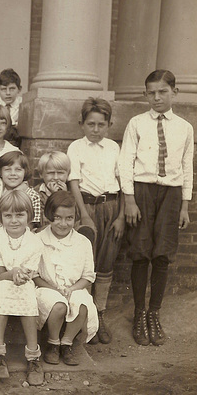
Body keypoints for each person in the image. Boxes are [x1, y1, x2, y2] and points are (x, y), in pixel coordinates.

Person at [118, 70, 193, 347]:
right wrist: (129, 199)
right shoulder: (137, 123)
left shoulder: (185, 127)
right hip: (142, 190)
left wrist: (184, 205)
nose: (157, 97)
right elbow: (125, 161)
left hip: (171, 194)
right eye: (151, 92)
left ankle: (154, 314)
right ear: (145, 94)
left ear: (174, 91)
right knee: (140, 254)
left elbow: (187, 167)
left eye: (162, 91)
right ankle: (139, 314)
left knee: (162, 255)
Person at [67, 98, 125, 344]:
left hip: (111, 207)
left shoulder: (114, 148)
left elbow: (124, 185)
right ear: (82, 124)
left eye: (101, 124)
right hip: (87, 207)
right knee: (85, 263)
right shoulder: (76, 148)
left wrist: (121, 216)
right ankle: (85, 317)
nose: (96, 129)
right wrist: (84, 215)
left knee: (106, 262)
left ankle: (100, 314)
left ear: (109, 125)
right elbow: (73, 182)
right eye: (91, 124)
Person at [0, 190, 44, 386]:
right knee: (3, 289)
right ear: (0, 217)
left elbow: (28, 273)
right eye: (8, 215)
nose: (14, 220)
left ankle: (33, 356)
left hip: (22, 282)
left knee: (27, 292)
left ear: (29, 216)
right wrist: (13, 273)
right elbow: (0, 274)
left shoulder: (35, 241)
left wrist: (20, 275)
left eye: (19, 215)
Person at [34, 191, 98, 366]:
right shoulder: (38, 240)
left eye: (69, 218)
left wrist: (72, 289)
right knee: (58, 305)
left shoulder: (82, 242)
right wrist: (55, 290)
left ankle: (66, 343)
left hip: (74, 287)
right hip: (46, 288)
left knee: (82, 303)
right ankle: (53, 342)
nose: (63, 223)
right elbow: (35, 276)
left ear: (75, 217)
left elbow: (87, 277)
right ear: (48, 216)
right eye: (57, 218)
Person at [0, 151, 41, 229]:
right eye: (7, 169)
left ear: (25, 172)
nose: (13, 173)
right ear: (0, 172)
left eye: (18, 169)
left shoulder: (32, 196)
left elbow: (31, 224)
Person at [0, 68, 23, 147]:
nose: (8, 93)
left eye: (12, 89)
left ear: (19, 89)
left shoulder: (22, 103)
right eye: (4, 89)